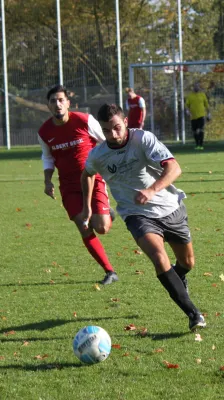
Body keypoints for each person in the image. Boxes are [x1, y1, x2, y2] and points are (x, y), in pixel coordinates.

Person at [80, 103, 206, 332]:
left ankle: (177, 279)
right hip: (136, 214)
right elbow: (87, 173)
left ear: (126, 122)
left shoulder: (143, 139)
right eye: (107, 130)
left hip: (170, 208)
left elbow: (174, 168)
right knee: (159, 258)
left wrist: (151, 191)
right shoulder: (98, 154)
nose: (113, 135)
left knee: (187, 263)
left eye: (117, 128)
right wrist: (87, 206)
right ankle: (193, 313)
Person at [37, 85, 118, 285]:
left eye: (60, 100)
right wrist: (47, 181)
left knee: (101, 228)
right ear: (48, 106)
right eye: (53, 101)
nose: (57, 104)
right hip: (68, 186)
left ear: (68, 103)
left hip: (93, 179)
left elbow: (105, 141)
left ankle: (108, 214)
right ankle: (110, 271)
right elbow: (47, 158)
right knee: (83, 225)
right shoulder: (44, 132)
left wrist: (108, 164)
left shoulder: (84, 120)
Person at [185, 82, 210, 150]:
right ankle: (197, 145)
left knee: (200, 130)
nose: (196, 87)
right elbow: (187, 105)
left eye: (198, 86)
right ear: (193, 87)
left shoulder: (202, 95)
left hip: (201, 115)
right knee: (195, 131)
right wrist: (187, 111)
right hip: (193, 116)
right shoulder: (190, 96)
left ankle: (201, 145)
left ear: (199, 87)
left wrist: (208, 114)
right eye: (195, 86)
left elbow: (206, 105)